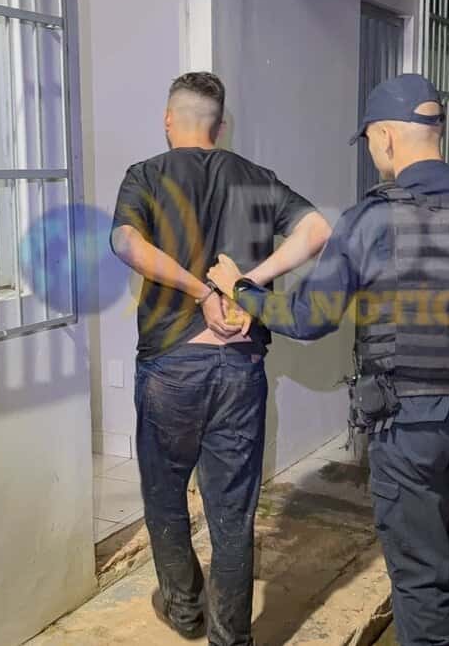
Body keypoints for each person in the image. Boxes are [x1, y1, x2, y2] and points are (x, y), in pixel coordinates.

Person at [207, 74, 449, 646]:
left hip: (410, 428)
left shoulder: (372, 219)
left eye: (369, 140)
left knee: (418, 573)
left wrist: (243, 290)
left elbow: (310, 317)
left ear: (384, 136)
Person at [110, 71, 332, 646]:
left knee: (165, 497)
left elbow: (125, 243)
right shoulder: (256, 179)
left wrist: (198, 290)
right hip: (239, 367)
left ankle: (186, 612)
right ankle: (231, 637)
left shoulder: (146, 175)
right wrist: (243, 286)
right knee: (232, 513)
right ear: (221, 125)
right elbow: (317, 228)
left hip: (171, 365)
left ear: (168, 120)